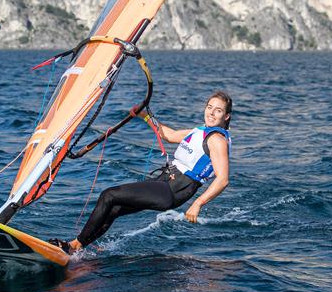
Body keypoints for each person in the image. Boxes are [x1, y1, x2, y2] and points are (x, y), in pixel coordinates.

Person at [49, 91, 233, 253]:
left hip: (173, 190)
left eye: (218, 110)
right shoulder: (200, 131)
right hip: (164, 182)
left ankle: (73, 246)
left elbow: (223, 179)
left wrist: (198, 203)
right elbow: (167, 135)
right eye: (209, 107)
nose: (211, 112)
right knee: (114, 209)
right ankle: (78, 249)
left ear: (226, 116)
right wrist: (144, 115)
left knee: (108, 195)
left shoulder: (217, 140)